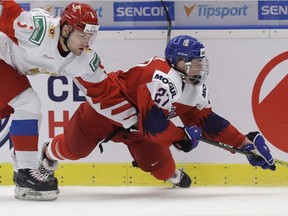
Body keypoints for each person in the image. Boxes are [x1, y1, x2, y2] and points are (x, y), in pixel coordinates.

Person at [41, 35, 275, 191]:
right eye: (194, 63)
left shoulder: (193, 87)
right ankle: (47, 152)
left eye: (200, 63)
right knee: (72, 151)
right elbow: (154, 128)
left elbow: (207, 122)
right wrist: (182, 138)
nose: (199, 68)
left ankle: (171, 173)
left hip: (137, 129)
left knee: (161, 167)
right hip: (103, 114)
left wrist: (245, 143)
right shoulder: (161, 78)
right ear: (178, 62)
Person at [0, 0, 104, 200]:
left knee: (27, 108)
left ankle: (23, 175)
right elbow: (5, 7)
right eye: (82, 36)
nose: (87, 42)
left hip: (8, 67)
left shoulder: (83, 58)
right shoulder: (35, 29)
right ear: (65, 30)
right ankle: (25, 173)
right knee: (28, 102)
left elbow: (106, 91)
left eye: (90, 36)